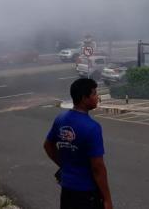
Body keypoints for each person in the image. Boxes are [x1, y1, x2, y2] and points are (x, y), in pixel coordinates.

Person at [44, 78, 113, 209]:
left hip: (67, 189)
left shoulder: (60, 119)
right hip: (86, 193)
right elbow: (98, 168)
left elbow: (48, 145)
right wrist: (107, 200)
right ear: (83, 98)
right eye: (94, 94)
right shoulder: (92, 127)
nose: (97, 97)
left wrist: (65, 165)